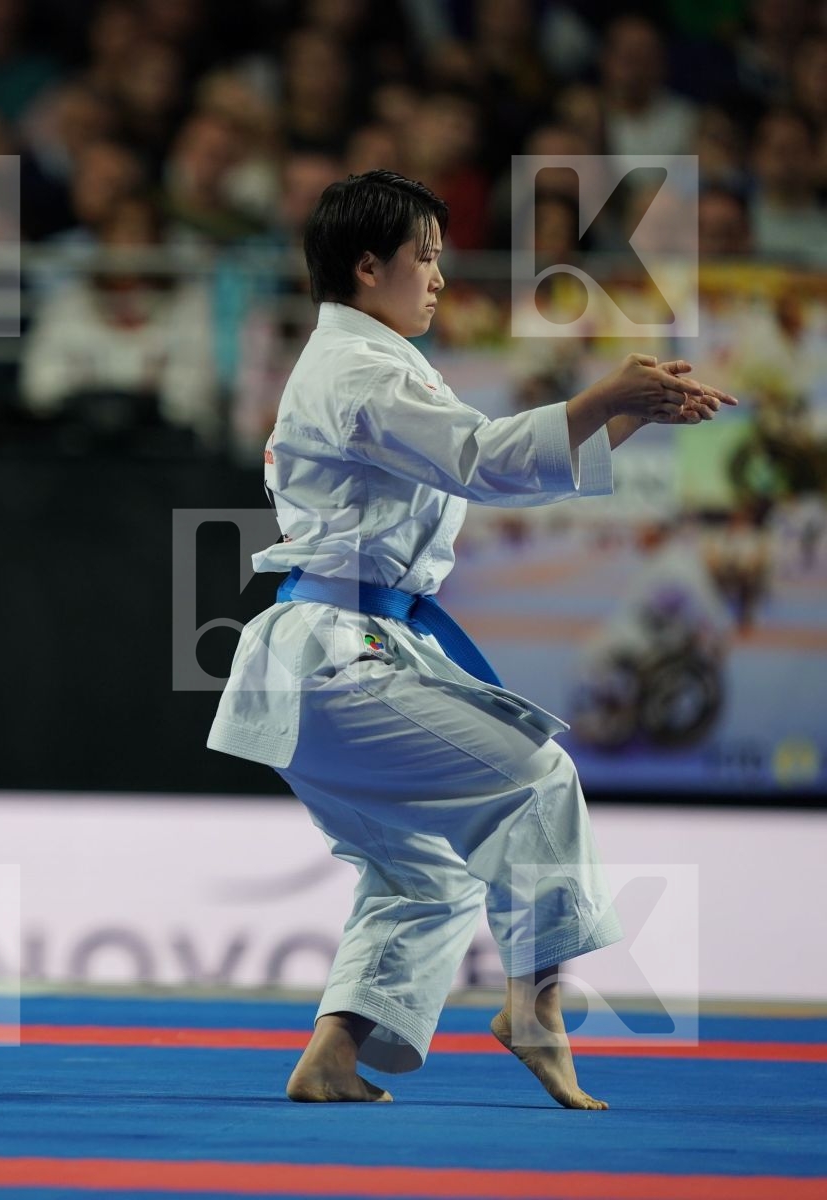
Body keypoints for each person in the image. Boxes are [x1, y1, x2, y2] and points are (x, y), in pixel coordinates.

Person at [207, 170, 734, 1108]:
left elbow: (478, 465)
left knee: (421, 874)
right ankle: (536, 1007)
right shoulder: (359, 370)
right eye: (427, 258)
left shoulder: (365, 362)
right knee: (538, 779)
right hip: (335, 658)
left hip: (335, 653)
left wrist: (610, 411)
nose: (441, 277)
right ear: (368, 267)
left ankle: (332, 1054)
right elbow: (480, 461)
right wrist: (603, 394)